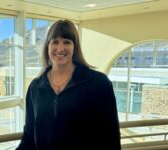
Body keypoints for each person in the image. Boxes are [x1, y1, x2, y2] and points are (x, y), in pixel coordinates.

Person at [16, 19, 121, 149]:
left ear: (75, 47)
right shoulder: (36, 87)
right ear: (47, 46)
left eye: (67, 42)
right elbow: (30, 137)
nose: (60, 48)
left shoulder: (99, 84)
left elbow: (111, 137)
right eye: (55, 42)